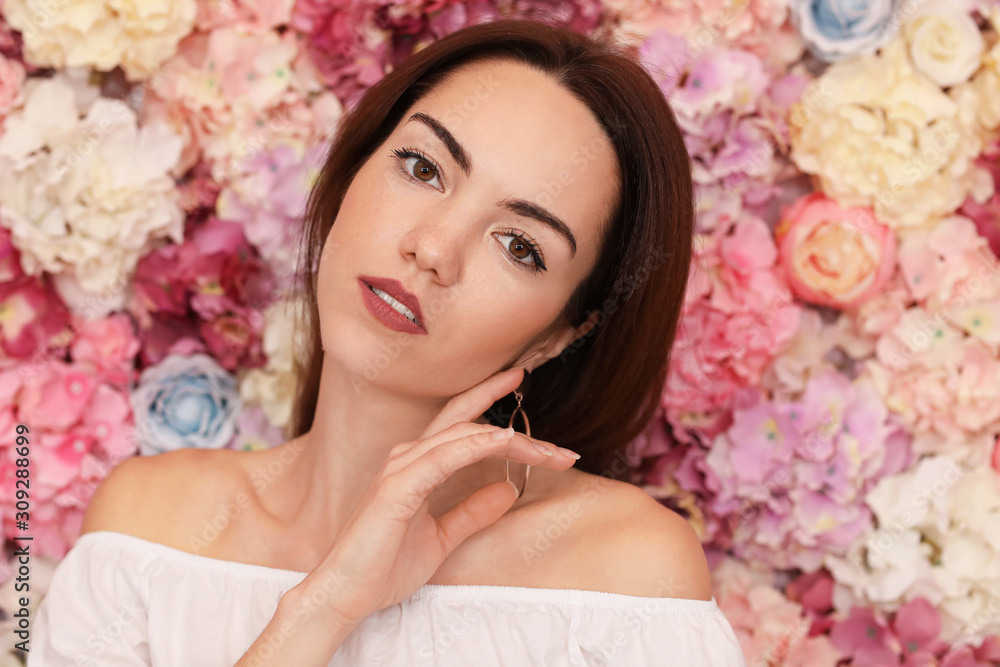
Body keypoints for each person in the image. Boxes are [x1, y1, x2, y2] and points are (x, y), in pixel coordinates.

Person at [28, 18, 747, 667]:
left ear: (563, 331)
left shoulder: (622, 575)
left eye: (519, 244)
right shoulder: (150, 529)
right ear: (350, 173)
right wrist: (326, 605)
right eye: (423, 168)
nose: (433, 248)